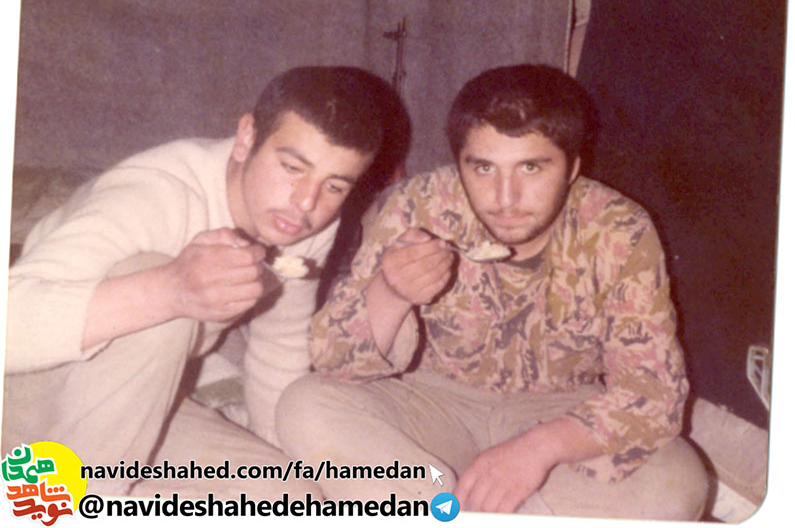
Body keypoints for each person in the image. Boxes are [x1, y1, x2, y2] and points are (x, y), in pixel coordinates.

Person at [276, 64, 709, 520]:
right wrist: (391, 293)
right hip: (432, 405)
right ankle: (447, 509)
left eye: (531, 167)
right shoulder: (418, 206)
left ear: (572, 168)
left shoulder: (619, 227)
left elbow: (653, 392)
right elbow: (332, 362)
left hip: (562, 411)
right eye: (483, 168)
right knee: (305, 405)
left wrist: (540, 448)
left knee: (677, 481)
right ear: (458, 164)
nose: (506, 197)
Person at [2, 66, 408, 499]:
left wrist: (275, 447)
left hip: (138, 397)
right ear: (246, 137)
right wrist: (170, 289)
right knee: (157, 291)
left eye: (335, 186)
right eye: (292, 167)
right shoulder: (155, 195)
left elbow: (279, 348)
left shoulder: (303, 222)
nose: (306, 202)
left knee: (291, 498)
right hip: (30, 387)